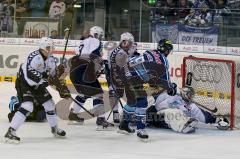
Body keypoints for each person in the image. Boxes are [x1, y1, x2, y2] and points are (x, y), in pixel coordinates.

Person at [4, 37, 70, 143]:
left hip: (37, 84)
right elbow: (30, 75)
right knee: (27, 106)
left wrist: (62, 88)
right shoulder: (34, 57)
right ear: (42, 47)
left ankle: (54, 129)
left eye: (52, 47)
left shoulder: (51, 59)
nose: (50, 50)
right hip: (24, 83)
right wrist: (47, 77)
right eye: (48, 47)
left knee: (50, 105)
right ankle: (10, 132)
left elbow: (53, 77)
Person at [115, 39, 177, 141]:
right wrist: (171, 88)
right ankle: (141, 130)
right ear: (167, 50)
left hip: (124, 73)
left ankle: (124, 125)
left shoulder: (150, 52)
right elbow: (164, 80)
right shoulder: (163, 60)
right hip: (133, 77)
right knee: (142, 102)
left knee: (134, 102)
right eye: (169, 51)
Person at [68, 26, 114, 130]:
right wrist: (103, 64)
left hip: (74, 71)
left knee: (84, 93)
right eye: (100, 35)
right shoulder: (95, 41)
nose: (101, 37)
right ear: (96, 34)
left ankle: (73, 115)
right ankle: (101, 119)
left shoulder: (83, 42)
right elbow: (94, 55)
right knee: (98, 93)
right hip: (84, 71)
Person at [146, 87, 230, 133]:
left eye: (191, 96)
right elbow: (155, 101)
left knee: (174, 113)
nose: (190, 97)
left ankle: (183, 125)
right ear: (184, 92)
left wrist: (216, 119)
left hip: (162, 120)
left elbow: (200, 114)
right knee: (172, 112)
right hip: (152, 113)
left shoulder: (188, 105)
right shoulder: (171, 94)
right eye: (189, 95)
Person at [108, 32, 137, 124]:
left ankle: (116, 114)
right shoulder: (121, 53)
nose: (130, 45)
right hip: (117, 77)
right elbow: (125, 67)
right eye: (129, 43)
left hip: (113, 76)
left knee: (115, 95)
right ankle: (128, 114)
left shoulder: (116, 49)